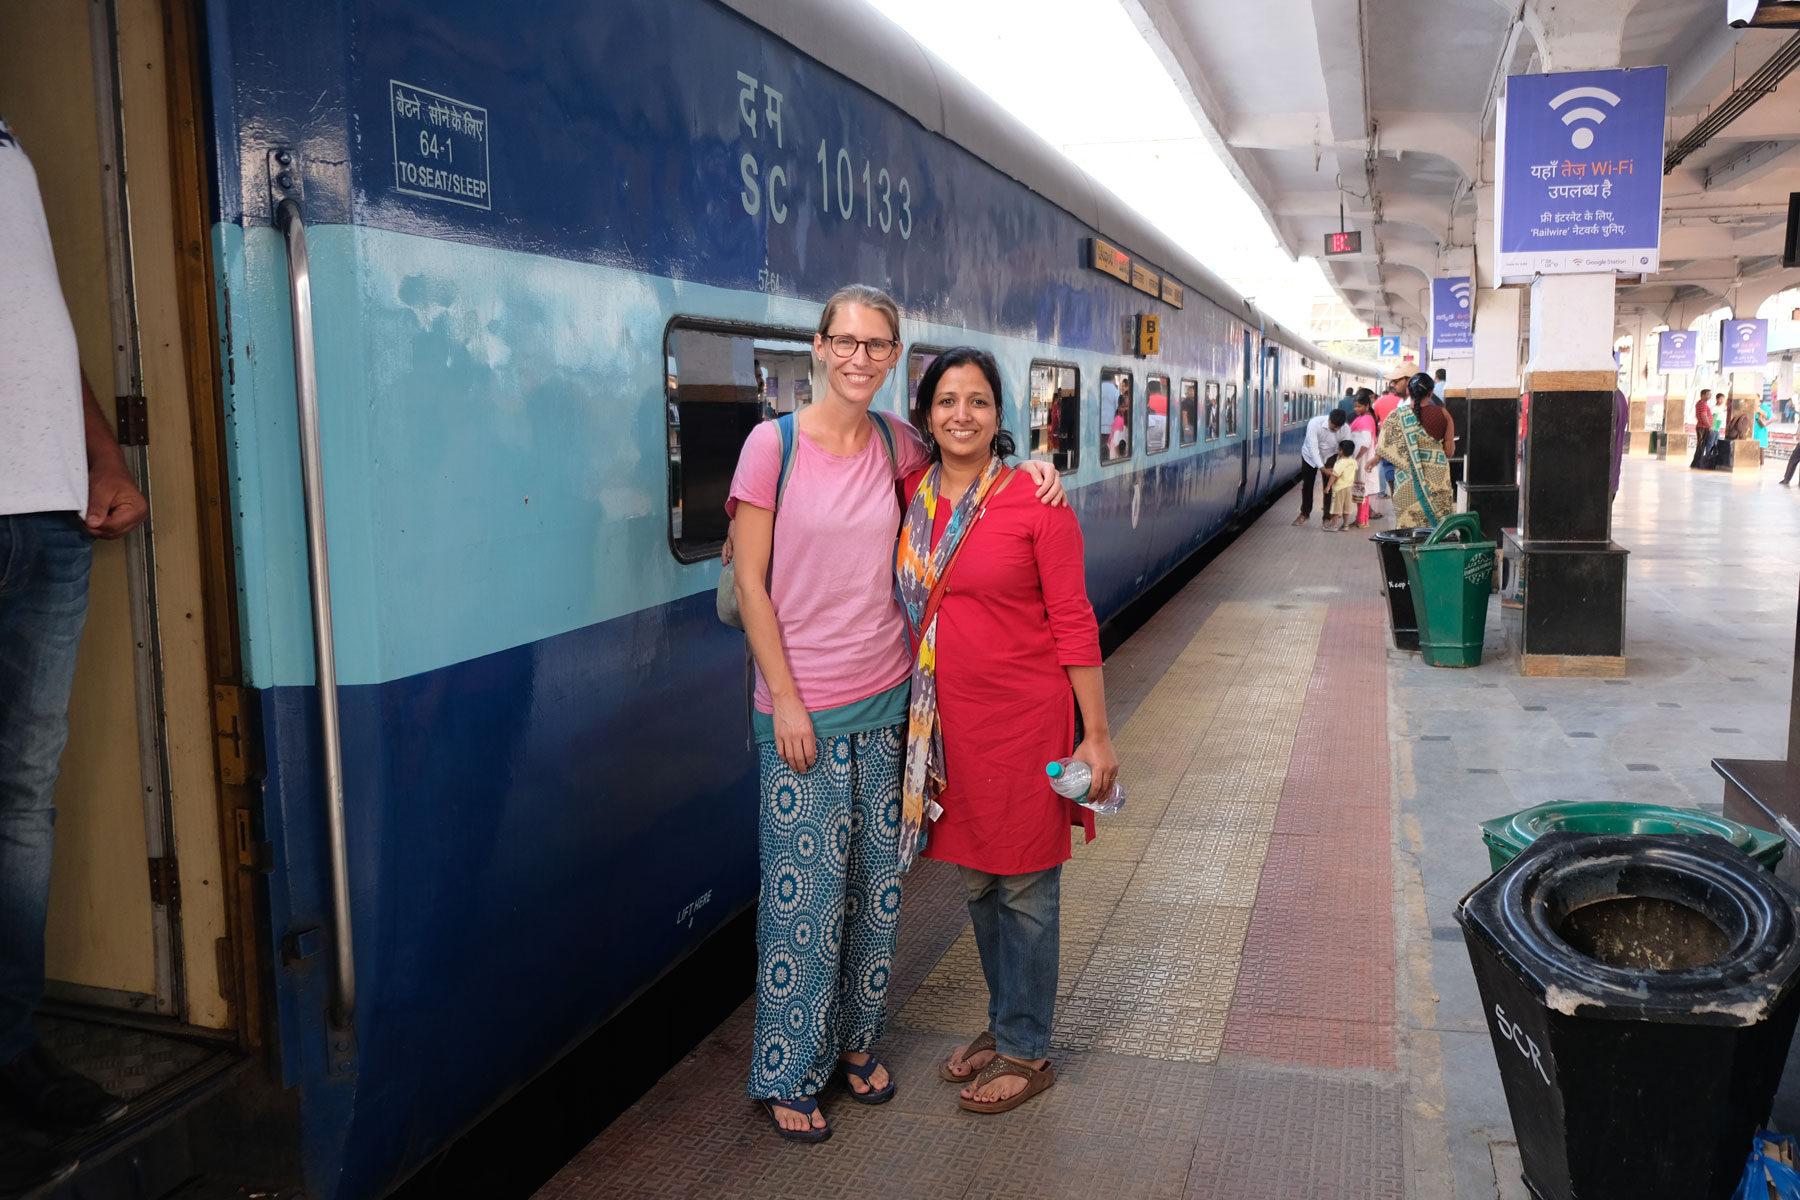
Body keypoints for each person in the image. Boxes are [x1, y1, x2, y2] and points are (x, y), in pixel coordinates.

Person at [725, 285, 1063, 1141]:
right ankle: (787, 1070)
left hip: (890, 710)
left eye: (878, 345)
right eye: (846, 341)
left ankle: (852, 1046)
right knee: (802, 903)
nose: (860, 358)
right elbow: (752, 589)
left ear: (891, 356)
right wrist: (788, 702)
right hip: (800, 711)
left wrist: (1032, 468)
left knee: (876, 897)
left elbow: (972, 469)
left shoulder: (896, 442)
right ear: (818, 344)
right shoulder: (773, 446)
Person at [894, 347, 1114, 1115]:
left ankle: (1027, 1048)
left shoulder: (1035, 500)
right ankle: (1003, 1021)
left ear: (1000, 416)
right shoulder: (910, 493)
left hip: (1026, 725)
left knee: (1025, 890)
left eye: (979, 401)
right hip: (949, 732)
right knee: (981, 886)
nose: (962, 414)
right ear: (925, 414)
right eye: (947, 400)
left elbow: (1073, 619)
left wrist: (1097, 735)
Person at [2, 114, 149, 1195]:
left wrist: (99, 450)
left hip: (49, 510)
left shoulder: (11, 140)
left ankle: (6, 1052)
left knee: (19, 800)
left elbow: (33, 322)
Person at [1377, 373, 1457, 528]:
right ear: (1431, 392)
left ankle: (1409, 553)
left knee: (1409, 531)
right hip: (1438, 484)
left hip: (1407, 484)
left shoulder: (1395, 417)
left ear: (1409, 391)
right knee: (1437, 531)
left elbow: (1384, 449)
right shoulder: (1444, 415)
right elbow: (1449, 453)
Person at [1293, 408, 1349, 525]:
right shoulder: (1314, 424)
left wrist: (1342, 467)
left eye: (1338, 428)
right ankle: (1305, 513)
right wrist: (1322, 468)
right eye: (1333, 426)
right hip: (1310, 456)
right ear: (1329, 419)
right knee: (1307, 485)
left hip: (1330, 455)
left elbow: (1347, 448)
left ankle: (1327, 517)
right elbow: (1313, 448)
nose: (1335, 429)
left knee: (1329, 486)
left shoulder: (1345, 429)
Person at [1349, 390, 1382, 524]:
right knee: (1360, 490)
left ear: (1367, 406)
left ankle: (1362, 520)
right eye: (1355, 406)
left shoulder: (1366, 420)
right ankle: (1360, 519)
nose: (1356, 409)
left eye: (1359, 406)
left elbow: (1365, 443)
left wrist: (1355, 459)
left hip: (1363, 461)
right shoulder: (1365, 418)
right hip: (1362, 460)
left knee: (1363, 490)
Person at [1328, 438, 1359, 531]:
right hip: (1349, 488)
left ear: (1341, 451)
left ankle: (1334, 526)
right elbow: (1354, 471)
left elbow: (1334, 476)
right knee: (1347, 508)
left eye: (1338, 449)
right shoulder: (1353, 461)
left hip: (1339, 488)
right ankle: (1345, 525)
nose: (1338, 451)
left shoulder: (1339, 462)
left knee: (1336, 508)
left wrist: (1328, 486)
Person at [1691, 390, 1716, 469]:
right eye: (1708, 394)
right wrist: (1710, 427)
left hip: (1702, 427)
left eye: (1710, 394)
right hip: (1703, 428)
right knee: (1701, 446)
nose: (1710, 396)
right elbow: (1704, 416)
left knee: (1701, 446)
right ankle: (1697, 464)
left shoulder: (1700, 403)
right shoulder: (1702, 404)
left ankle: (1696, 463)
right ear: (1703, 395)